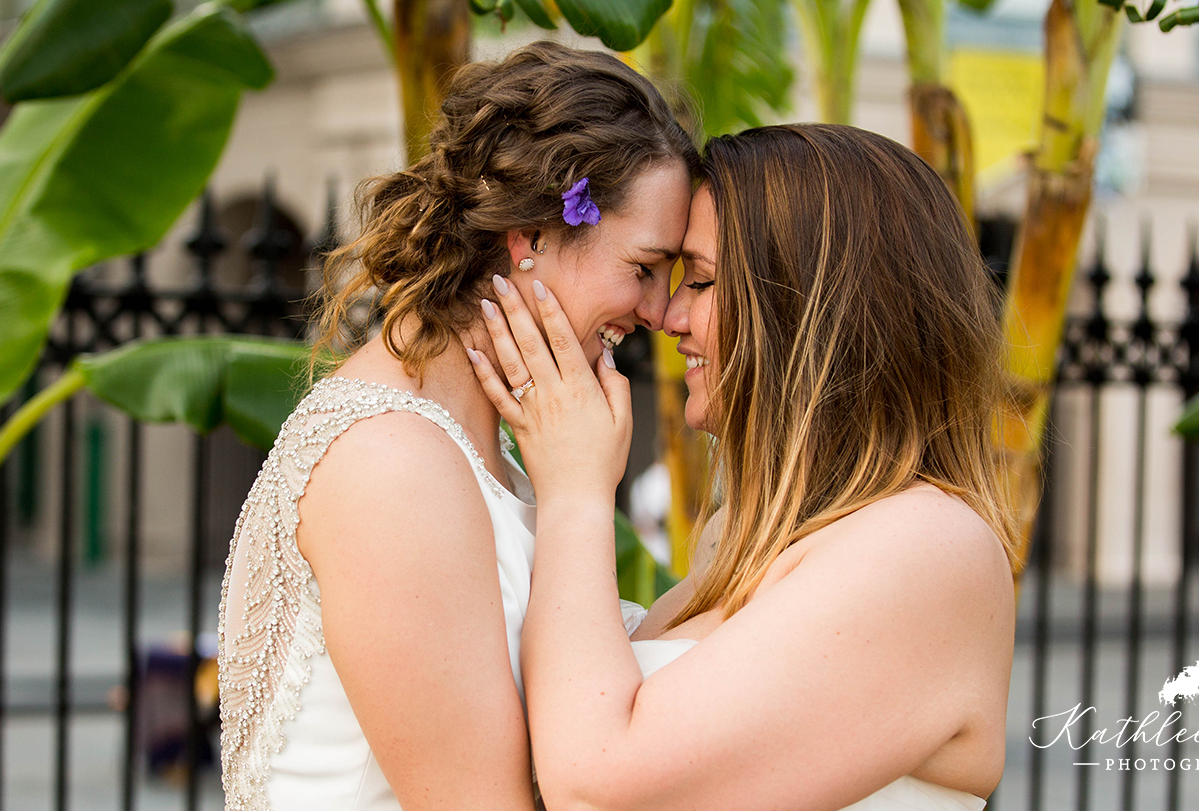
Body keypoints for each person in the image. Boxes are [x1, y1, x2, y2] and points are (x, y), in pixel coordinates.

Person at [470, 124, 1021, 811]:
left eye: (700, 280)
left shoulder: (930, 548)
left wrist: (577, 493)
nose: (668, 316)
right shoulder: (743, 538)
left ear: (811, 308)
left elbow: (593, 786)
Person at [216, 41, 699, 811]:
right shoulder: (392, 464)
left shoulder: (481, 449)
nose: (657, 312)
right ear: (534, 236)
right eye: (643, 268)